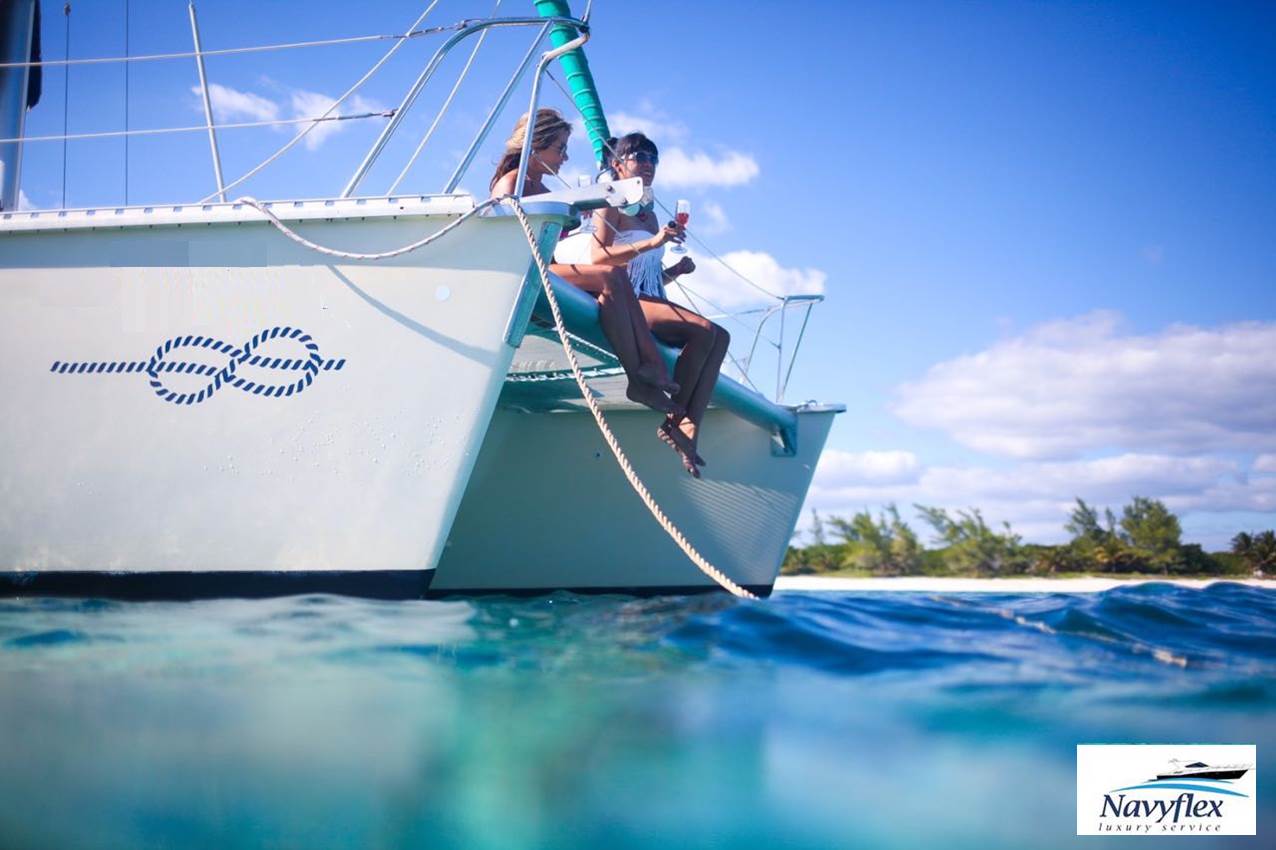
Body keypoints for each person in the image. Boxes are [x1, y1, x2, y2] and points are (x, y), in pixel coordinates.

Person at [489, 109, 680, 415]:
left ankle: (640, 378)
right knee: (611, 275)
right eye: (560, 148)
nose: (564, 157)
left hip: (548, 267)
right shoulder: (511, 184)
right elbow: (508, 242)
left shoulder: (541, 188)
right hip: (526, 268)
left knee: (612, 281)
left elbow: (555, 238)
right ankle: (648, 366)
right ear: (535, 145)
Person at [590, 132, 730, 478]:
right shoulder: (607, 203)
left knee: (721, 336)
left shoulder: (649, 213)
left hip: (652, 297)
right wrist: (655, 241)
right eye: (639, 156)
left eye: (654, 158)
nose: (648, 164)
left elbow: (647, 273)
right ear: (617, 163)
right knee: (705, 332)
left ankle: (686, 425)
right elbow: (598, 259)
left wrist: (675, 272)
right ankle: (678, 422)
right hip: (627, 301)